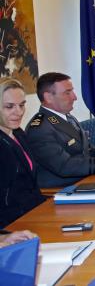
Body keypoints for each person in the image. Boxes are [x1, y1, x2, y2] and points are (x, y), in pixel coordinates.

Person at [25, 73, 95, 188]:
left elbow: (86, 150)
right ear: (48, 97)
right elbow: (65, 166)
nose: (74, 97)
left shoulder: (68, 117)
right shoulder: (39, 129)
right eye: (67, 93)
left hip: (83, 180)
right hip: (61, 189)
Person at [0, 78, 45, 228]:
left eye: (22, 105)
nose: (19, 112)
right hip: (11, 224)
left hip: (35, 212)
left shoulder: (19, 133)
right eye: (9, 106)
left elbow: (30, 183)